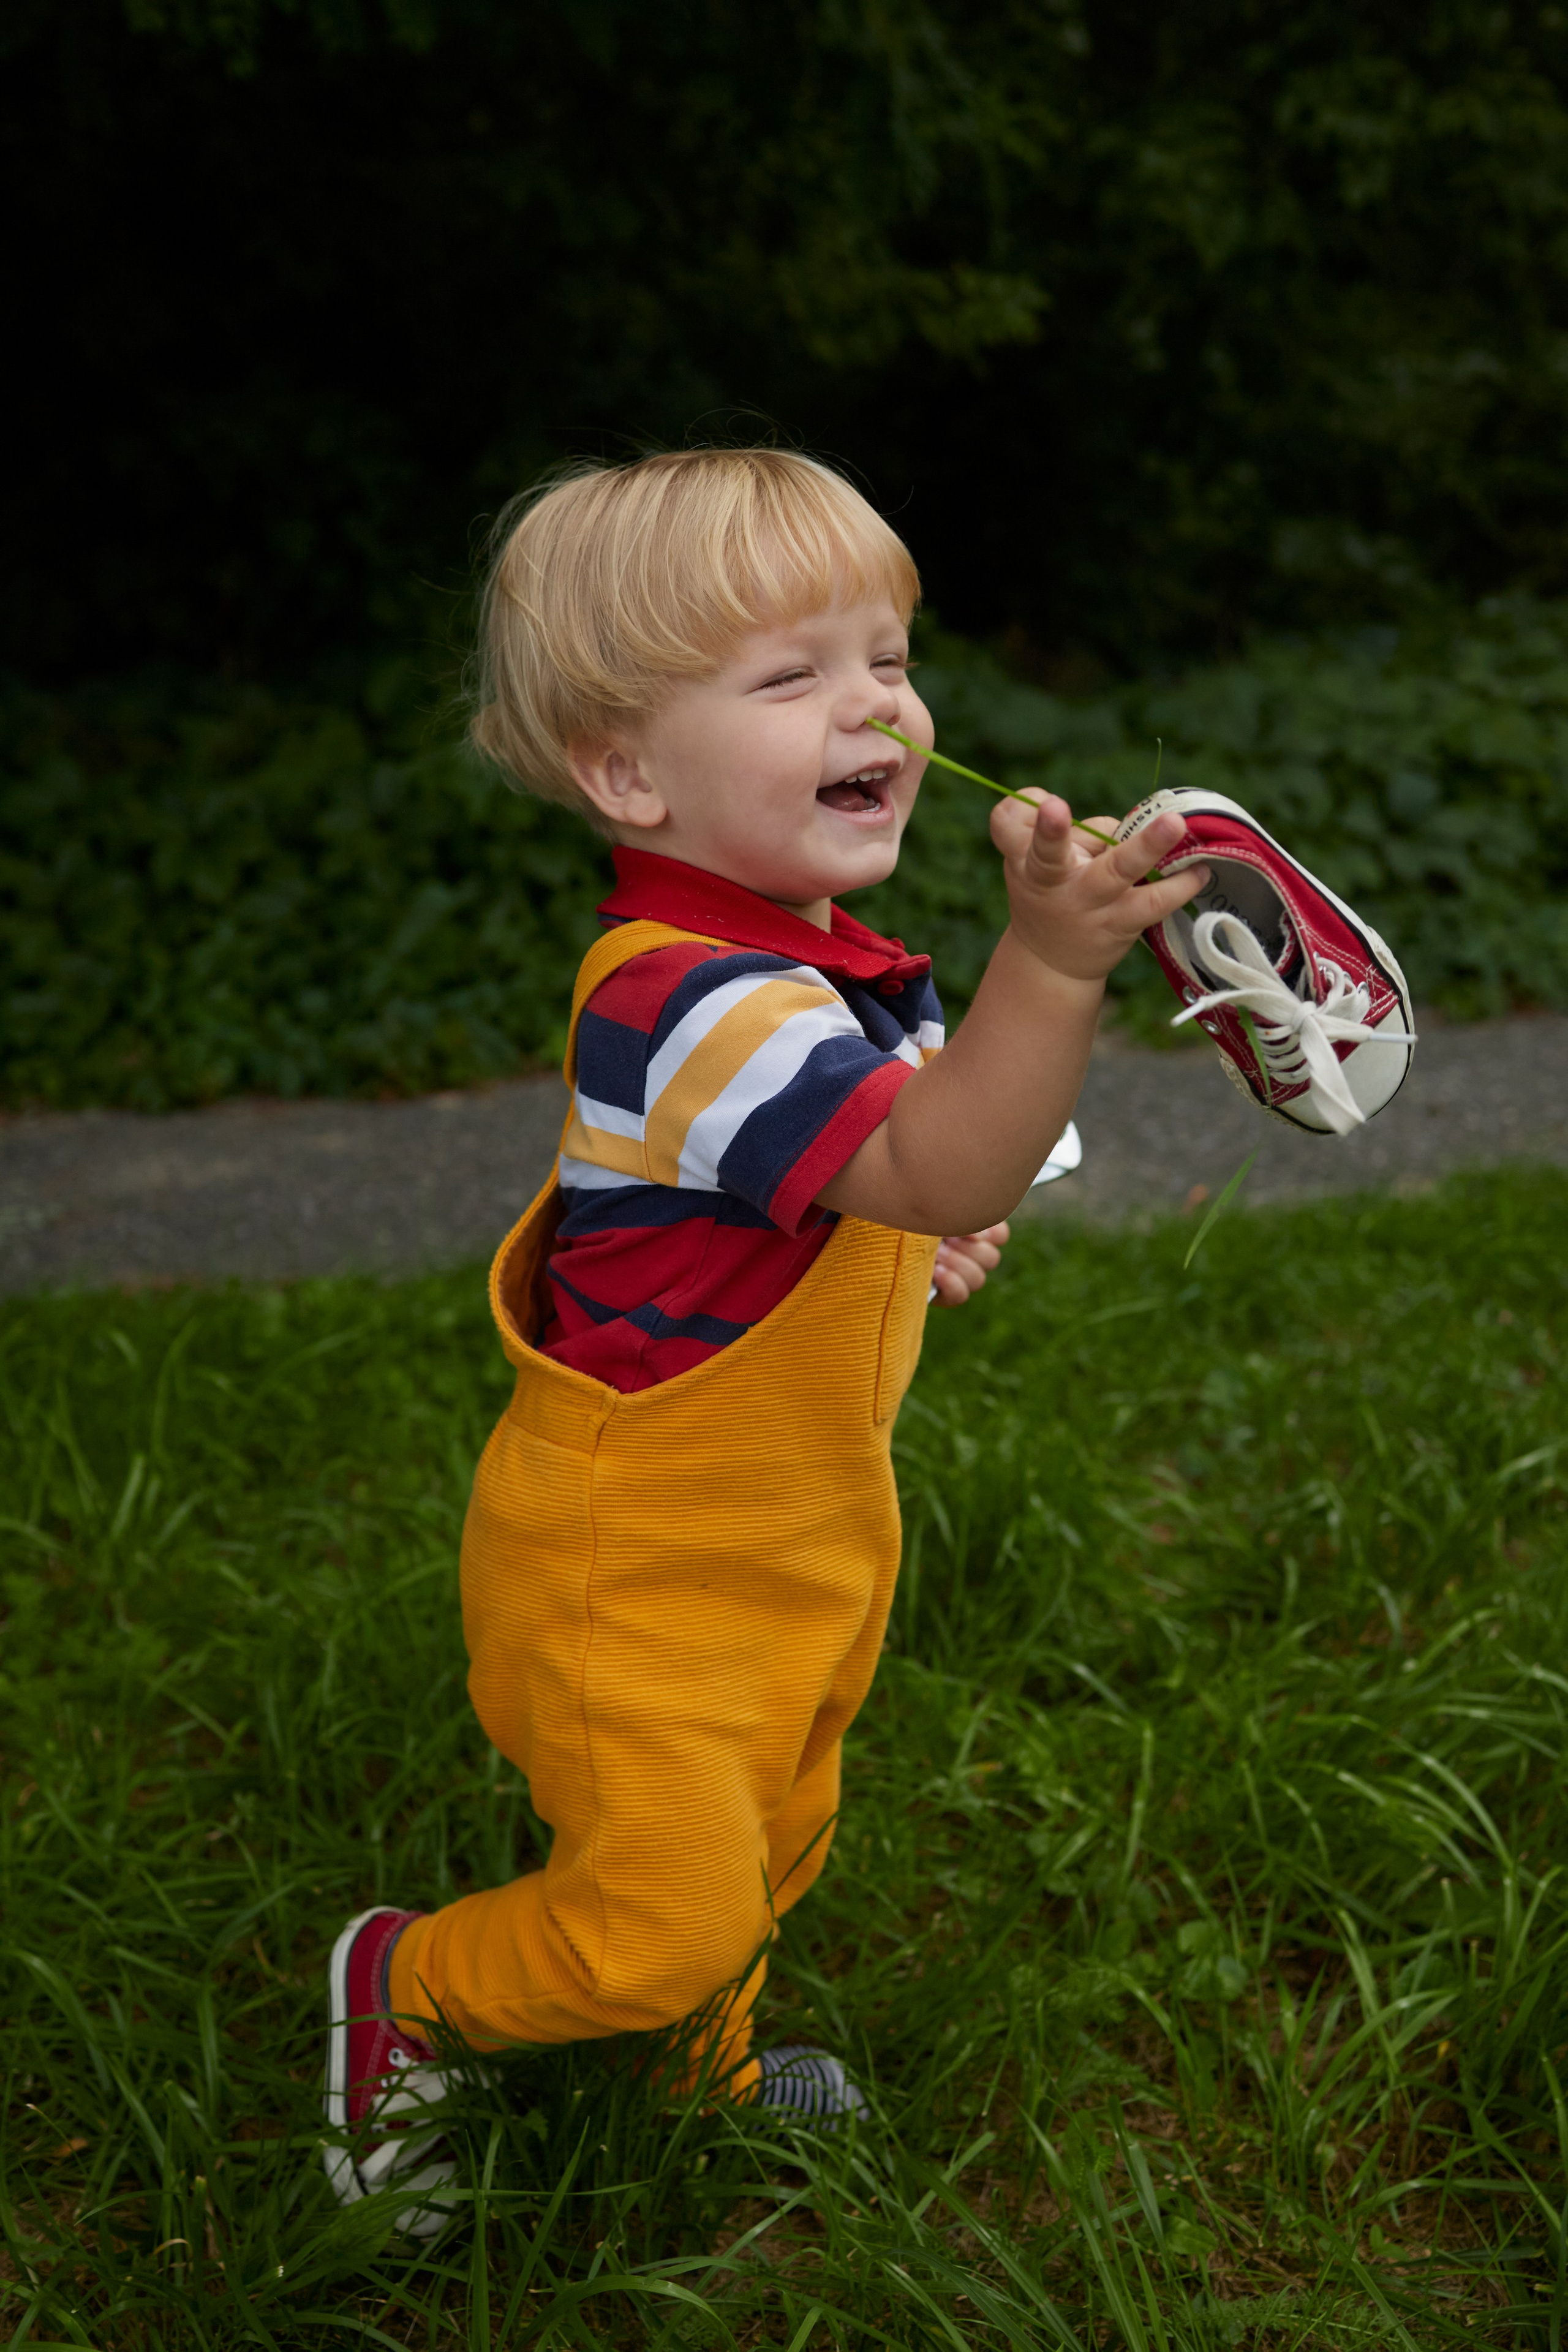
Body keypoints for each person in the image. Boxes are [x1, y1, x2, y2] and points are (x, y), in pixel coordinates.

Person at [323, 448, 1204, 2220]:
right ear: (627, 768)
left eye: (885, 655)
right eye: (792, 676)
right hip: (634, 1572)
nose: (874, 699)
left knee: (769, 1840)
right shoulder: (687, 997)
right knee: (663, 1911)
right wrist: (1051, 970)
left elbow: (880, 1187)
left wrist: (926, 1236)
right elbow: (925, 1139)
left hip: (787, 1543)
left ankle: (700, 2069)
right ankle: (405, 1988)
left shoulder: (824, 964)